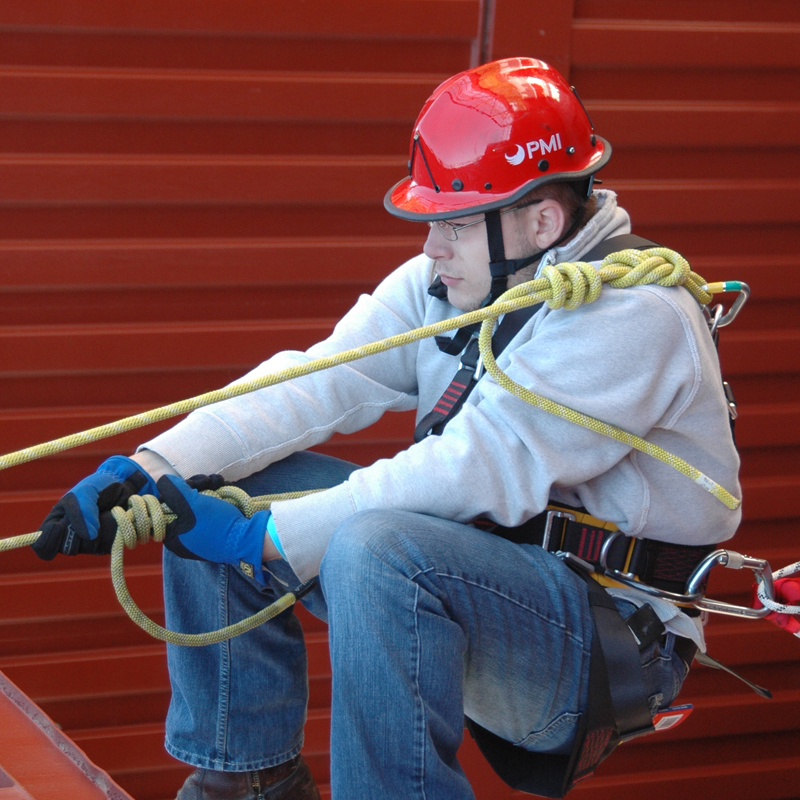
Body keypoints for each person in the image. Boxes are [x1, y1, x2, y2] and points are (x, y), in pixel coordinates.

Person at [33, 58, 741, 800]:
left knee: (379, 547)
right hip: (480, 581)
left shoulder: (635, 316)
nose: (431, 250)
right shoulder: (458, 281)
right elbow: (316, 380)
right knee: (216, 483)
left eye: (455, 226)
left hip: (603, 641)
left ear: (542, 222)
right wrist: (152, 465)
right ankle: (248, 783)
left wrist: (261, 540)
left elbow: (472, 469)